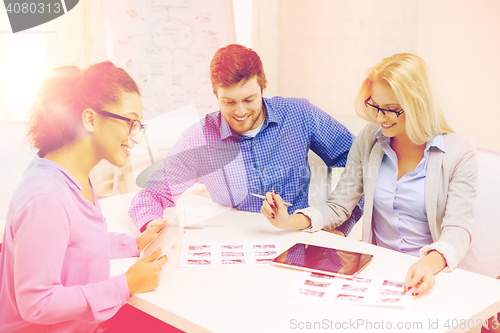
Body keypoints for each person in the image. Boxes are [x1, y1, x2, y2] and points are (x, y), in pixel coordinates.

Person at [260, 53, 478, 297]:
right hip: (380, 271)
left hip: (434, 275)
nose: (379, 117)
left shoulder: (459, 152)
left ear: (418, 104)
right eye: (375, 106)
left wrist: (429, 263)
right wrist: (288, 220)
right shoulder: (369, 139)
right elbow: (339, 205)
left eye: (390, 110)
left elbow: (458, 230)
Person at [0, 62, 168, 333]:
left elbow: (76, 245)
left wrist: (135, 244)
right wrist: (125, 285)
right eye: (130, 122)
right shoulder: (46, 197)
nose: (135, 137)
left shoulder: (71, 174)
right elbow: (36, 303)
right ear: (90, 119)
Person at [129, 44, 363, 235]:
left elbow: (361, 163)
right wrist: (150, 225)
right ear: (215, 94)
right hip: (235, 246)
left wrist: (341, 226)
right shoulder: (200, 138)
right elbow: (153, 192)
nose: (240, 112)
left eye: (249, 99)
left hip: (298, 237)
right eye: (229, 102)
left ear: (263, 87)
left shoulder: (300, 114)